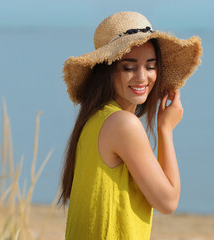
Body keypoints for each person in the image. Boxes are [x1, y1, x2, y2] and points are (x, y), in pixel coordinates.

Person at [59, 11, 202, 239]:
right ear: (108, 70)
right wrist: (165, 129)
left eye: (150, 66)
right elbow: (168, 201)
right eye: (129, 67)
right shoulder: (123, 124)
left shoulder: (95, 119)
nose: (142, 77)